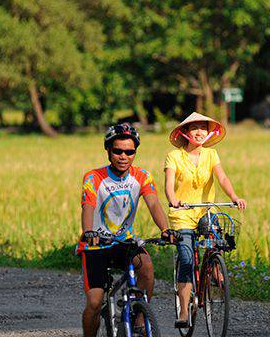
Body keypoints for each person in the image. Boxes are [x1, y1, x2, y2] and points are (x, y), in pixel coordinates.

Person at [78, 123, 176, 337]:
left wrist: (165, 230)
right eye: (118, 151)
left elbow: (154, 204)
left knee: (147, 268)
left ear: (135, 152)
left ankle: (141, 319)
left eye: (129, 151)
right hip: (96, 245)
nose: (123, 156)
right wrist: (88, 232)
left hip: (125, 242)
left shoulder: (142, 176)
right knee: (95, 302)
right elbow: (88, 207)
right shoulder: (93, 177)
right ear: (108, 150)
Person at [164, 112, 247, 328]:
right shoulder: (174, 156)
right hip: (182, 213)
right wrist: (173, 200)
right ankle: (184, 310)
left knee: (215, 240)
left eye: (203, 127)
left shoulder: (212, 155)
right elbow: (168, 183)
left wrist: (234, 197)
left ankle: (214, 268)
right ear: (185, 132)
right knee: (186, 258)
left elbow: (222, 177)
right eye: (194, 128)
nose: (199, 132)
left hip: (204, 211)